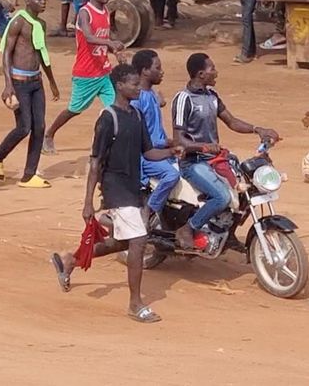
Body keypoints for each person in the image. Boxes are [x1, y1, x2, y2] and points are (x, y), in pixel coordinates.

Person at [49, 63, 178, 324]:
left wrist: (172, 152)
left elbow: (148, 152)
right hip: (116, 189)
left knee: (122, 242)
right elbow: (96, 161)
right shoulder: (108, 119)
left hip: (133, 187)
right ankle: (135, 304)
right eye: (133, 84)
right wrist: (88, 202)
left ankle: (71, 261)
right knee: (140, 240)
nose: (138, 88)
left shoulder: (136, 115)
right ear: (119, 85)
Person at [170, 53, 279, 250]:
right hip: (193, 162)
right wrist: (202, 146)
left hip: (216, 158)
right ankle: (188, 228)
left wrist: (258, 129)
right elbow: (179, 139)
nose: (216, 73)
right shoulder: (183, 99)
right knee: (222, 197)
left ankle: (227, 233)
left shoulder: (211, 96)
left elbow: (232, 121)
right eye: (212, 69)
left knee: (251, 189)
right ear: (201, 74)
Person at [0, 0, 60, 188]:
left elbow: (41, 53)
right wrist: (7, 84)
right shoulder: (18, 21)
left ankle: (29, 175)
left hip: (36, 81)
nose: (43, 2)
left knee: (40, 126)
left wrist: (52, 82)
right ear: (28, 1)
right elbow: (6, 53)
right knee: (24, 127)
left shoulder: (41, 24)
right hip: (19, 82)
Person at [44, 0, 123, 155]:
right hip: (86, 74)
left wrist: (116, 53)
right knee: (74, 109)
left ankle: (109, 144)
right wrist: (110, 43)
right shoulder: (84, 13)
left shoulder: (105, 11)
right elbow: (88, 37)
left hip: (103, 71)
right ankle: (49, 134)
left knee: (117, 108)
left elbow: (103, 39)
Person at [130, 49, 179, 216]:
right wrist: (166, 143)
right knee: (172, 175)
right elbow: (141, 136)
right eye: (157, 68)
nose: (161, 72)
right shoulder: (138, 100)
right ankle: (149, 210)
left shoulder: (150, 94)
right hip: (146, 155)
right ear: (145, 71)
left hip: (159, 149)